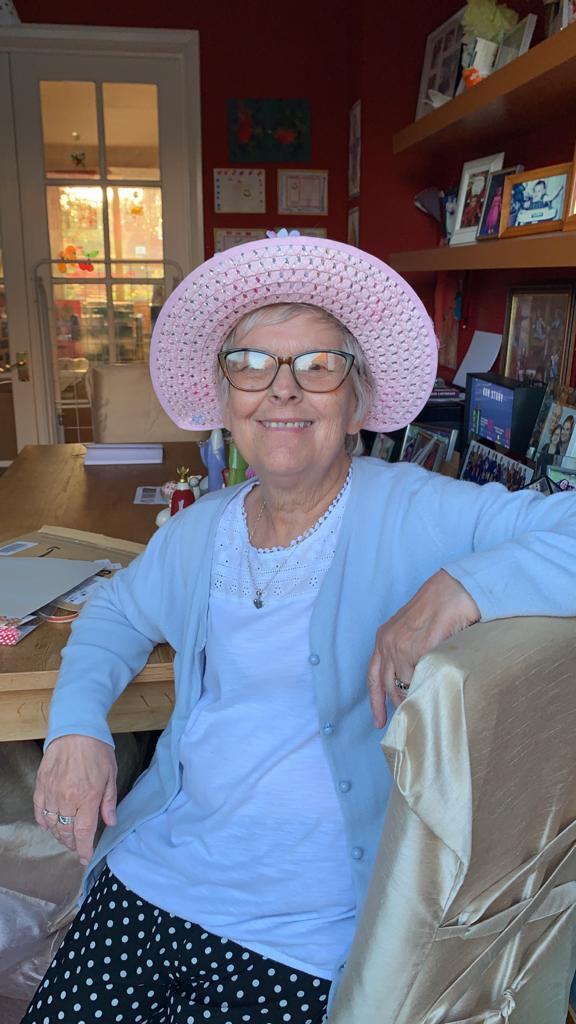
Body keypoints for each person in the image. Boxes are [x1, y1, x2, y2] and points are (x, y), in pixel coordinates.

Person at [24, 233, 576, 1024]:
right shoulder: (198, 531)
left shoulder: (417, 511)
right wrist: (77, 730)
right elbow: (114, 609)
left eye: (318, 365)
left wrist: (466, 585)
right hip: (157, 872)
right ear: (223, 401)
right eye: (252, 363)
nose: (283, 390)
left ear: (357, 402)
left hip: (305, 934)